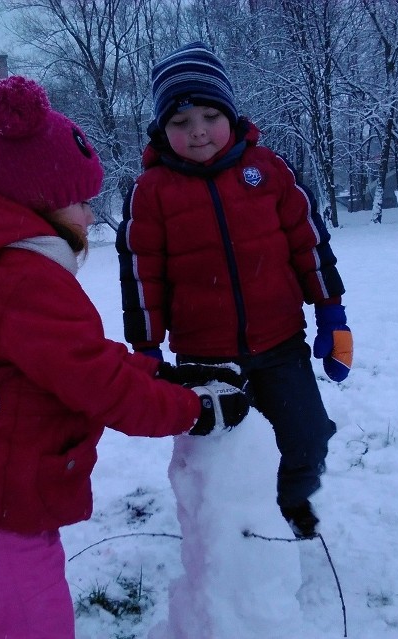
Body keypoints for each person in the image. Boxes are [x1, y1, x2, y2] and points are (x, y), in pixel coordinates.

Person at [0, 75, 248, 639]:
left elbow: (74, 358)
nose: (89, 216)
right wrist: (194, 410)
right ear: (38, 198)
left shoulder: (7, 267)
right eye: (81, 200)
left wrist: (162, 372)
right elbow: (97, 383)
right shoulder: (25, 277)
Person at [116, 42, 353, 539]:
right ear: (163, 130)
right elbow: (142, 274)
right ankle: (235, 527)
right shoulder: (152, 191)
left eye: (208, 115)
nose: (197, 131)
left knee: (307, 439)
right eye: (180, 123)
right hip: (206, 357)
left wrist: (332, 313)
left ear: (230, 114)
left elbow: (310, 245)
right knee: (222, 447)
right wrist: (145, 349)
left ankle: (288, 503)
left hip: (282, 343)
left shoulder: (269, 172)